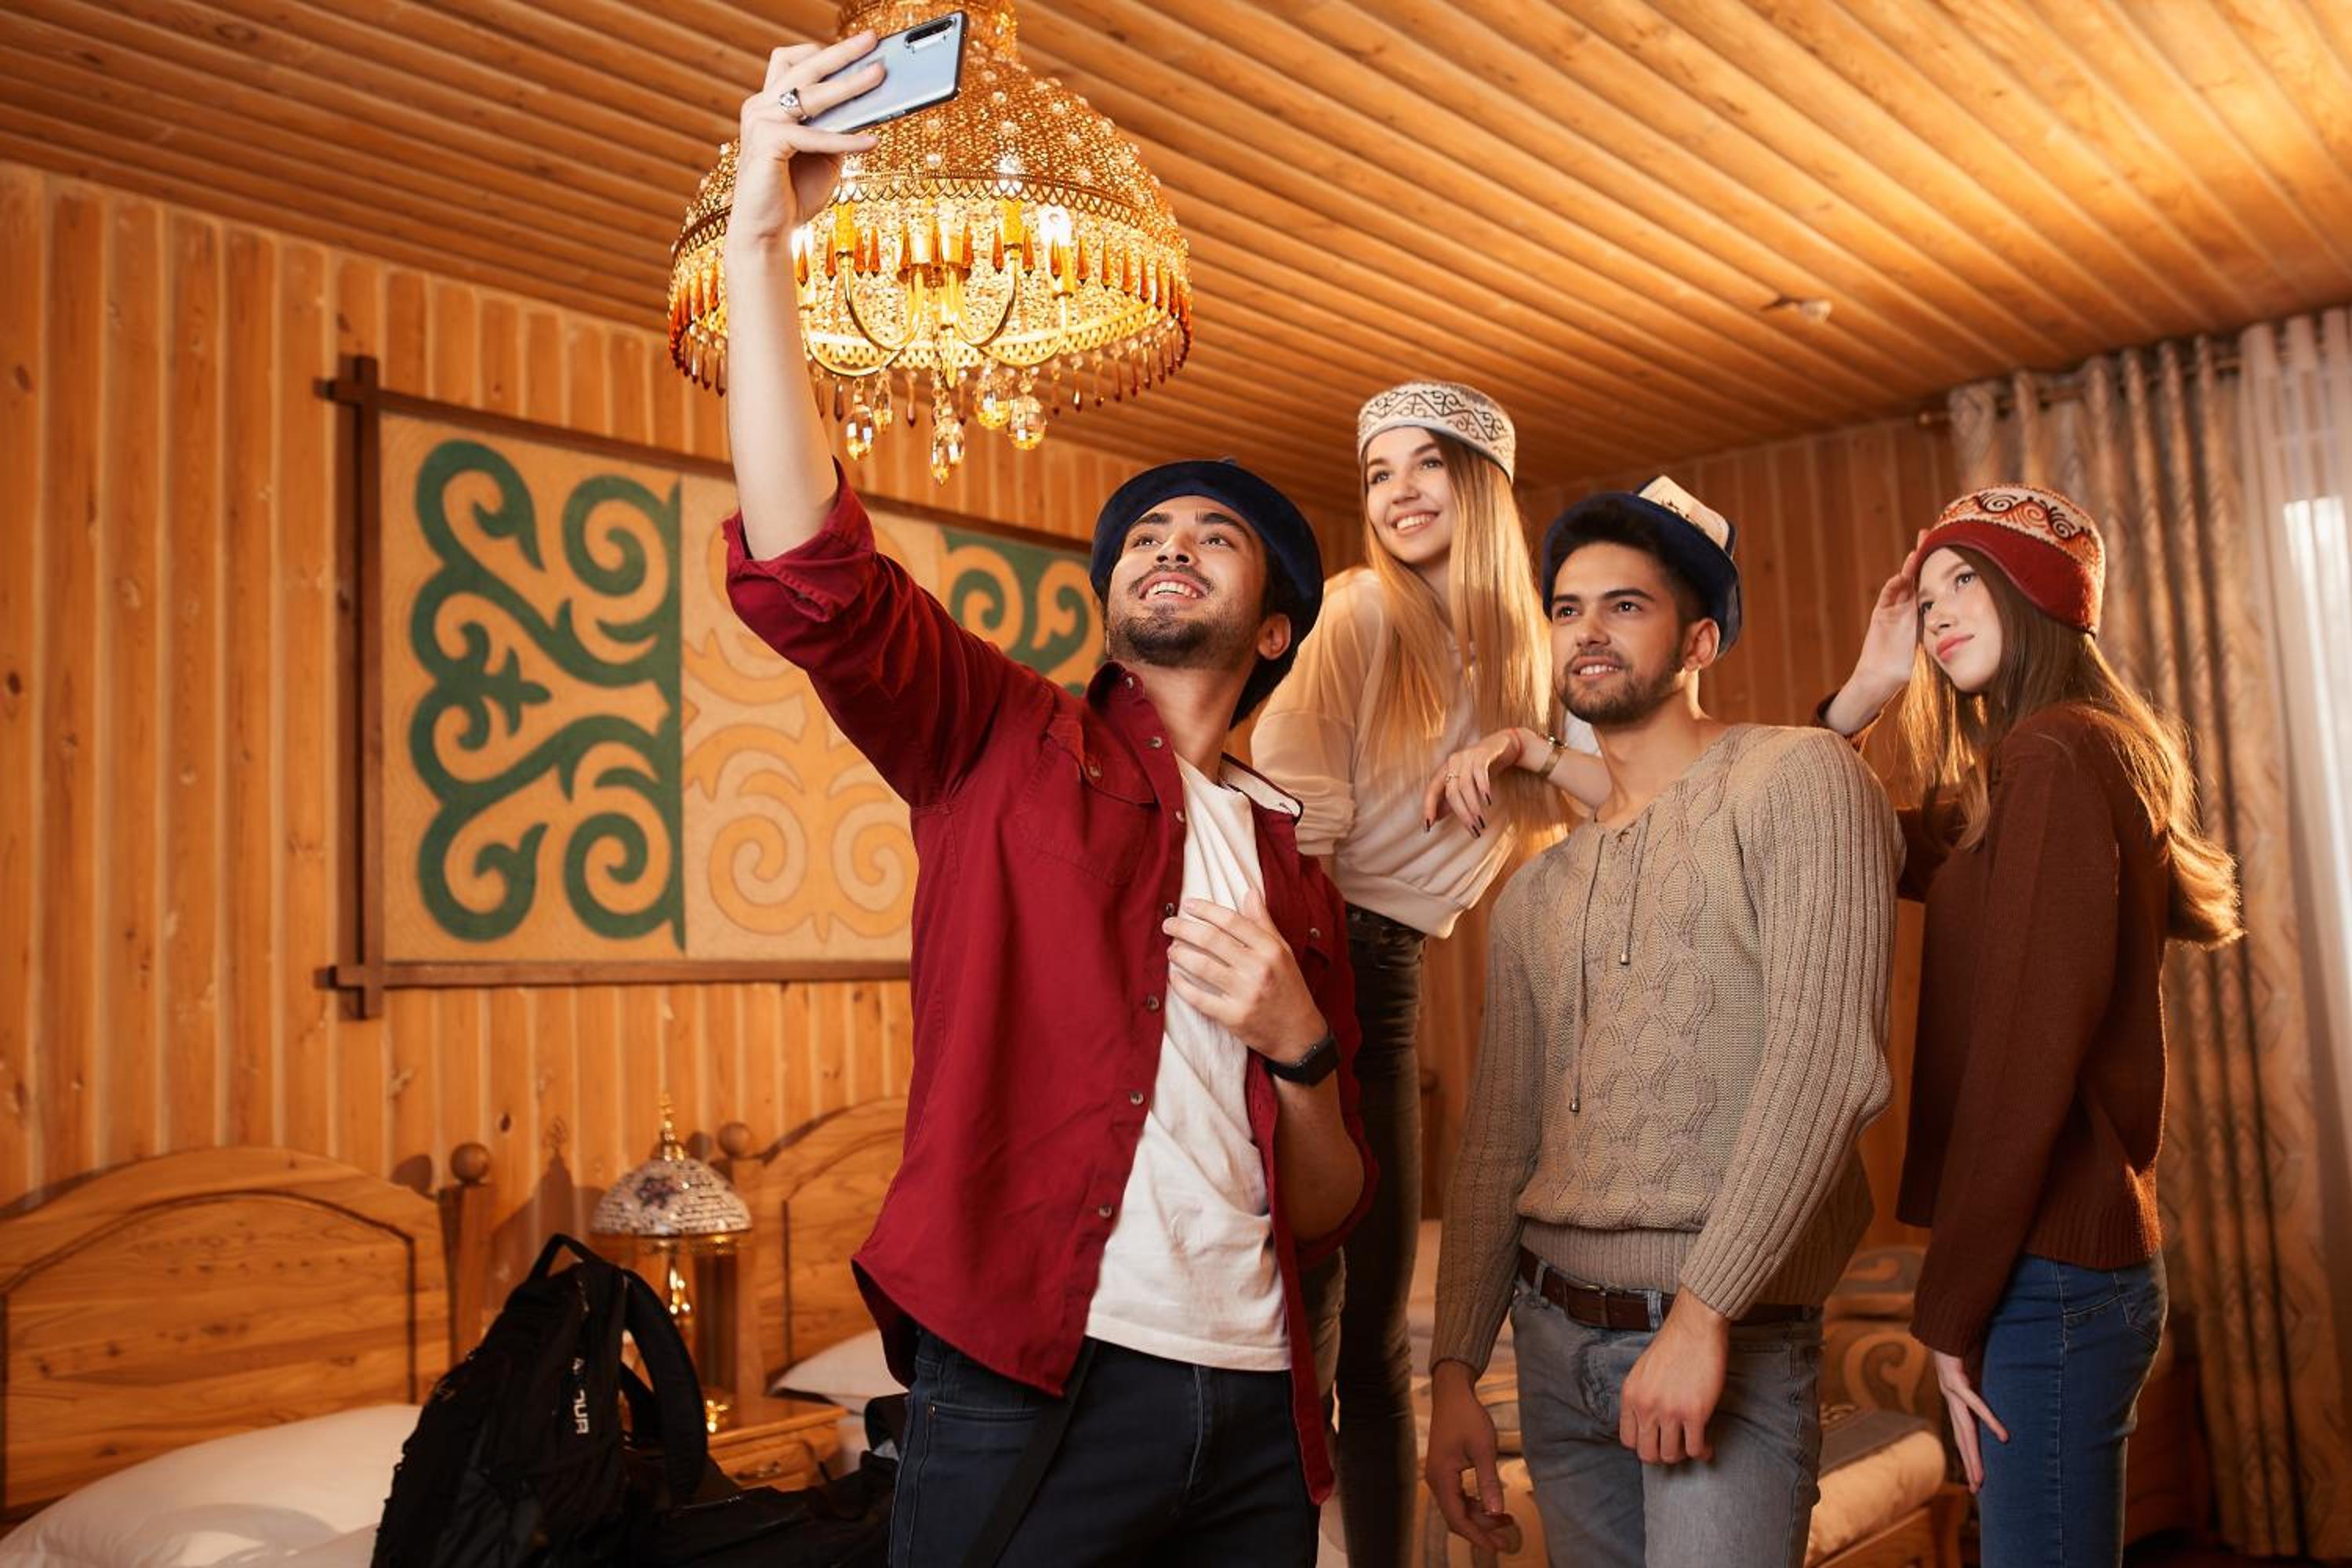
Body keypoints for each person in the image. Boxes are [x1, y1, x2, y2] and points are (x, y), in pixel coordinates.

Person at [717, 35, 1374, 1566]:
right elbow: (814, 576)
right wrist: (761, 239)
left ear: (1276, 626)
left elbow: (1329, 1202)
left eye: (1215, 537)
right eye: (1145, 533)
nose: (1169, 544)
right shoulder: (1000, 740)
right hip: (1030, 1383)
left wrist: (1301, 1042)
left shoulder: (1298, 870)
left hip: (1259, 1408)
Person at [1424, 479, 1898, 1566]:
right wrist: (1455, 1369)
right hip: (1550, 1346)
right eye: (1568, 608)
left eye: (1625, 606)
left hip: (1720, 1337)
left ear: (1699, 641)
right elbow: (1496, 1144)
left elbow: (1828, 1067)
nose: (1587, 629)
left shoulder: (1800, 780)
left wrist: (1702, 1316)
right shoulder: (1535, 892)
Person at [1818, 485, 2241, 1566]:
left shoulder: (2052, 758)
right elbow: (1829, 829)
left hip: (2048, 1279)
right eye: (1928, 596)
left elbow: (2024, 1067)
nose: (1939, 614)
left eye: (1970, 581)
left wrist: (1948, 1309)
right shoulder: (2033, 768)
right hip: (2070, 1272)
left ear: (2040, 596)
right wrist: (1866, 692)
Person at [1251, 381, 1579, 1567]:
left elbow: (1632, 789)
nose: (1396, 493)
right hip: (1313, 958)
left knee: (1377, 1340)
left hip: (1392, 982)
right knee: (1312, 1324)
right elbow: (1295, 827)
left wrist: (1527, 744)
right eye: (1377, 473)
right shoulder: (1356, 613)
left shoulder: (1534, 654)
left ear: (1481, 485)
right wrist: (1295, 1023)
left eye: (1424, 465)